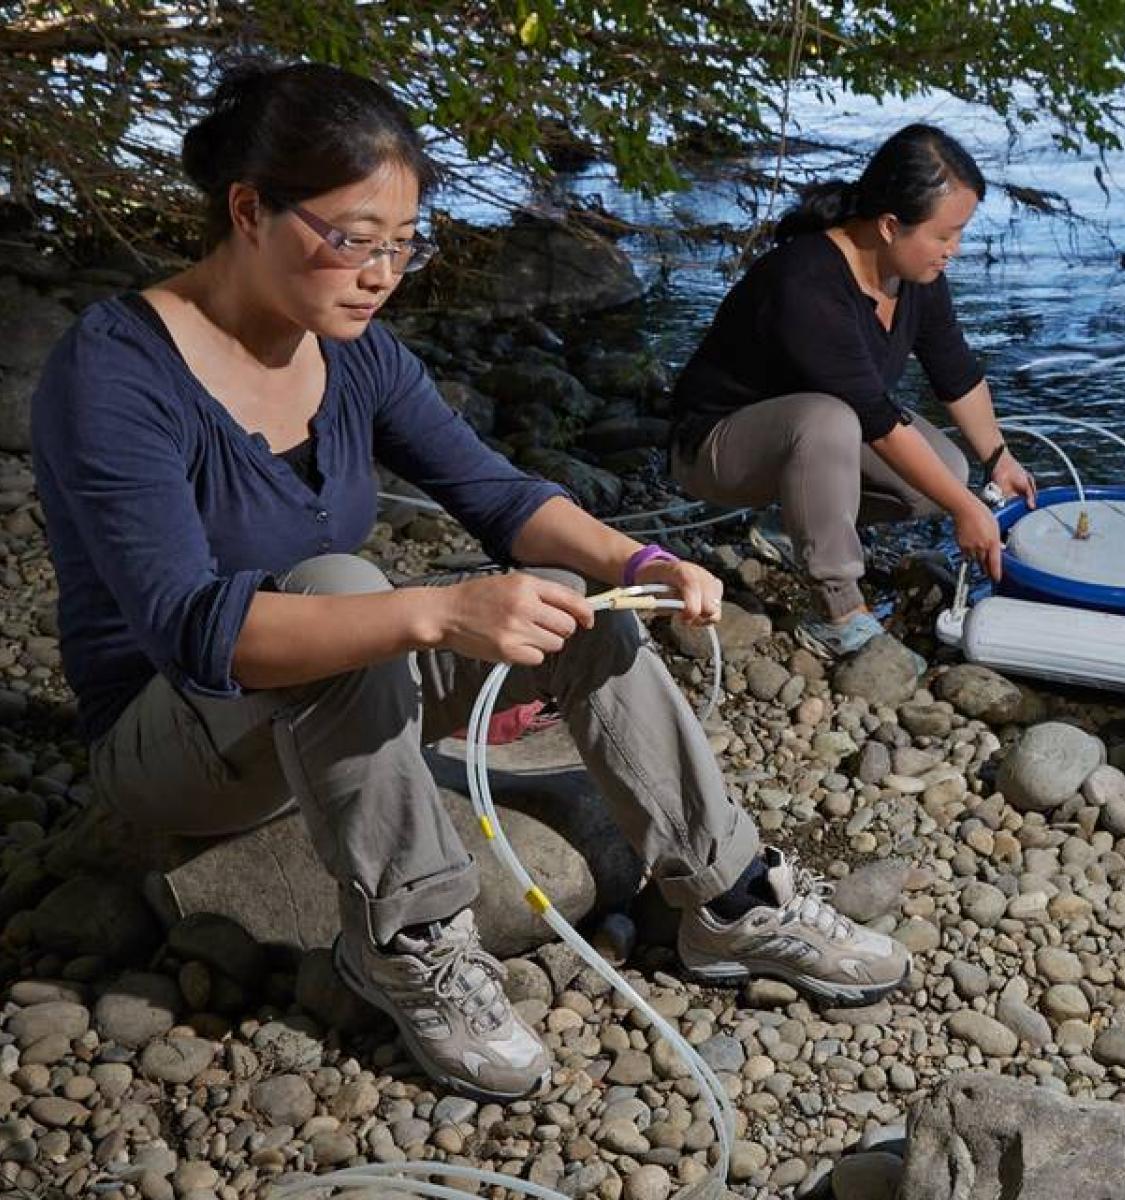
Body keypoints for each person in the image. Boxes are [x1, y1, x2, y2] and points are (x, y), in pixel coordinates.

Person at [29, 60, 908, 1102]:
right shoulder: (117, 369)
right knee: (344, 588)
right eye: (354, 237)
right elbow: (191, 630)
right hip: (172, 735)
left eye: (403, 244)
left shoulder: (352, 350)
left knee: (570, 604)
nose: (380, 272)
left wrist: (640, 562)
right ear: (250, 209)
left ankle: (728, 897)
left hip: (315, 690)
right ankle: (410, 942)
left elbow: (492, 491)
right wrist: (438, 611)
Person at [671, 123, 1036, 658]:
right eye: (944, 234)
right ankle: (840, 610)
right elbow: (875, 419)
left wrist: (998, 457)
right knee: (832, 420)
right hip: (717, 444)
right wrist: (966, 511)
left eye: (961, 233)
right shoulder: (806, 283)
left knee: (945, 473)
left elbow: (955, 370)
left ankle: (793, 525)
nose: (954, 250)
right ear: (890, 225)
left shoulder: (917, 276)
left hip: (816, 438)